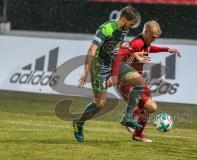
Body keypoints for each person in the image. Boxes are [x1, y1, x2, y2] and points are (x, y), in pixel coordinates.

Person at [73, 6, 140, 143]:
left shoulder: (124, 30)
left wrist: (132, 53)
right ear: (123, 19)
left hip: (115, 64)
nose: (131, 27)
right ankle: (78, 123)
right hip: (100, 66)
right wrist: (86, 71)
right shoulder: (106, 29)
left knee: (139, 82)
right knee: (100, 103)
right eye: (131, 24)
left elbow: (117, 48)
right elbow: (92, 49)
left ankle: (127, 117)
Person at [108, 20, 181, 142]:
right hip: (126, 82)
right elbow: (119, 54)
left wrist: (167, 49)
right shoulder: (136, 43)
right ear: (145, 31)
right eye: (152, 37)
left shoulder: (145, 43)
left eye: (156, 38)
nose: (153, 39)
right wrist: (115, 76)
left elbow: (151, 48)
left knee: (148, 108)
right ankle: (129, 116)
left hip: (137, 82)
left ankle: (137, 134)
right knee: (151, 107)